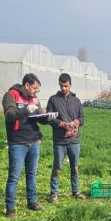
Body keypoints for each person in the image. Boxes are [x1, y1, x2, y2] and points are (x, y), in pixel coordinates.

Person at [2, 73, 57, 218]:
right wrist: (25, 110)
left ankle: (32, 201)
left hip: (33, 141)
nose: (36, 92)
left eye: (37, 89)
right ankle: (10, 208)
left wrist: (48, 118)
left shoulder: (34, 99)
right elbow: (9, 115)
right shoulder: (11, 95)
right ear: (27, 85)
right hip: (18, 142)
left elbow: (39, 117)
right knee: (14, 176)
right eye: (35, 88)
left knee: (32, 174)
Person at [46, 73, 86, 203]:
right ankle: (54, 193)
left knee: (74, 166)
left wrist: (77, 122)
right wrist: (61, 124)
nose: (63, 88)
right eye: (61, 86)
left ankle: (75, 191)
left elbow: (82, 118)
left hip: (74, 139)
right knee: (57, 166)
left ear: (70, 85)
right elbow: (49, 118)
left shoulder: (76, 100)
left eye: (66, 86)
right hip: (60, 140)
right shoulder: (53, 100)